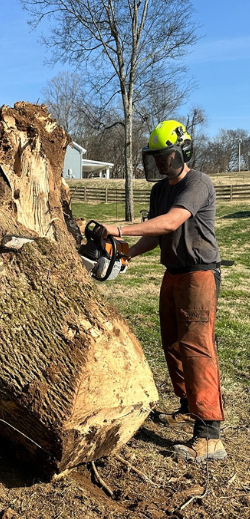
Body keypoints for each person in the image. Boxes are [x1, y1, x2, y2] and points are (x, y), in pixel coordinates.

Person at [101, 120, 226, 463]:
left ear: (182, 152)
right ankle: (188, 406)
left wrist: (118, 227)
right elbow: (156, 236)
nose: (160, 163)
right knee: (172, 343)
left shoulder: (198, 183)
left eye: (165, 156)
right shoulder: (159, 191)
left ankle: (209, 433)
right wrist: (123, 252)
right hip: (172, 273)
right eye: (155, 157)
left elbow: (171, 222)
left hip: (199, 274)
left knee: (197, 346)